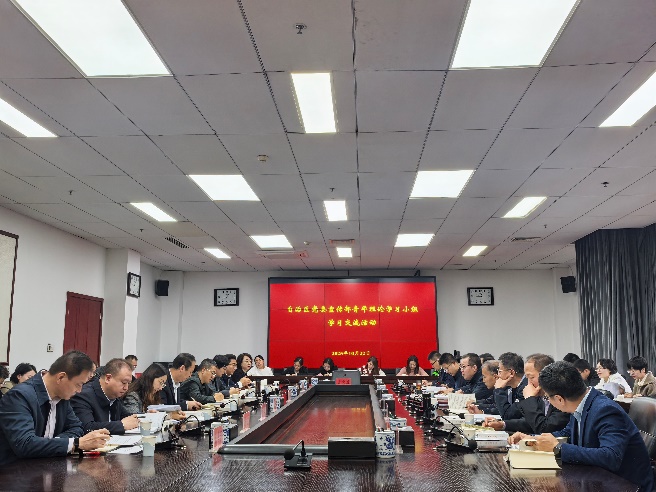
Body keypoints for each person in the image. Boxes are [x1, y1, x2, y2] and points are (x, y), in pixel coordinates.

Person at [511, 361, 653, 492]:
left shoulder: (605, 410)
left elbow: (610, 457)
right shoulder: (581, 403)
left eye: (548, 397)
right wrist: (534, 439)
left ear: (559, 399)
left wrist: (558, 448)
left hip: (626, 486)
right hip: (598, 480)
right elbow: (567, 433)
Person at [0, 351, 110, 464]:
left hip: (48, 465)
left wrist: (54, 443)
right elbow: (24, 444)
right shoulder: (19, 396)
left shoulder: (62, 396)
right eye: (78, 384)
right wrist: (76, 444)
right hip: (15, 469)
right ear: (61, 377)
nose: (79, 390)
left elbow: (76, 427)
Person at [487, 354, 569, 435]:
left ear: (547, 376)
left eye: (531, 377)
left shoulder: (561, 398)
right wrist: (503, 424)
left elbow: (544, 428)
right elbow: (531, 422)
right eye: (527, 378)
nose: (528, 383)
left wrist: (529, 399)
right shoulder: (541, 396)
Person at [70, 358, 139, 435]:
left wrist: (142, 418)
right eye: (124, 382)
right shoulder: (83, 395)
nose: (126, 388)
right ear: (108, 378)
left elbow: (126, 416)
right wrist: (121, 425)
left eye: (128, 383)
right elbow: (87, 427)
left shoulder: (114, 395)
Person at [492, 352, 527, 419]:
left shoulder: (525, 389)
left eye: (500, 371)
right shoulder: (510, 387)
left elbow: (508, 415)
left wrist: (499, 390)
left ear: (511, 373)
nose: (498, 375)